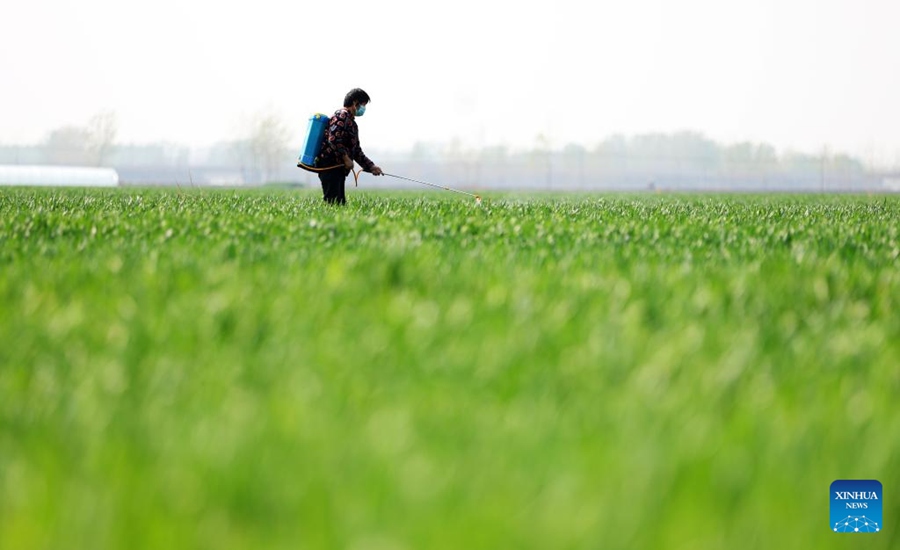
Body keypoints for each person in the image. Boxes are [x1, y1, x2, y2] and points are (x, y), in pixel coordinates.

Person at [316, 88, 383, 204]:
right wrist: (346, 158)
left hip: (338, 168)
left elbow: (356, 150)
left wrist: (371, 167)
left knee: (339, 203)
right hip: (329, 166)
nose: (364, 109)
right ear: (355, 103)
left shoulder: (351, 122)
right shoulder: (341, 116)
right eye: (363, 105)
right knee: (333, 203)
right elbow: (333, 139)